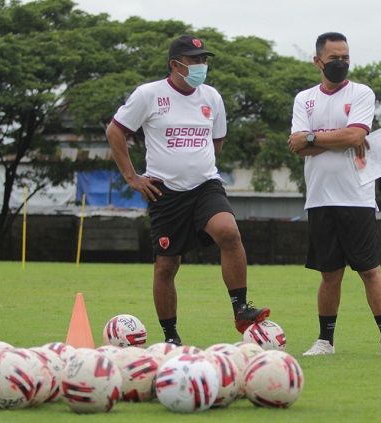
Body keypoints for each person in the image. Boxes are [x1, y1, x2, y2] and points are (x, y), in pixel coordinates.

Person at [105, 34, 269, 345]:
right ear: (175, 65)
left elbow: (217, 141)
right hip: (165, 193)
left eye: (204, 60)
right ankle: (171, 337)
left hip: (206, 186)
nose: (201, 66)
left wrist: (196, 164)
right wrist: (132, 177)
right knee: (167, 265)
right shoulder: (149, 95)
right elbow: (115, 131)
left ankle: (241, 309)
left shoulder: (211, 97)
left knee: (229, 232)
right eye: (194, 61)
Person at [287, 32, 381, 357]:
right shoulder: (304, 99)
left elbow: (355, 135)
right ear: (318, 61)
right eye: (334, 58)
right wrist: (326, 138)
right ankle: (325, 341)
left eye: (345, 57)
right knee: (329, 275)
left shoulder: (362, 92)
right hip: (320, 198)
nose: (341, 63)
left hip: (357, 197)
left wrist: (313, 138)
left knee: (369, 270)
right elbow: (296, 145)